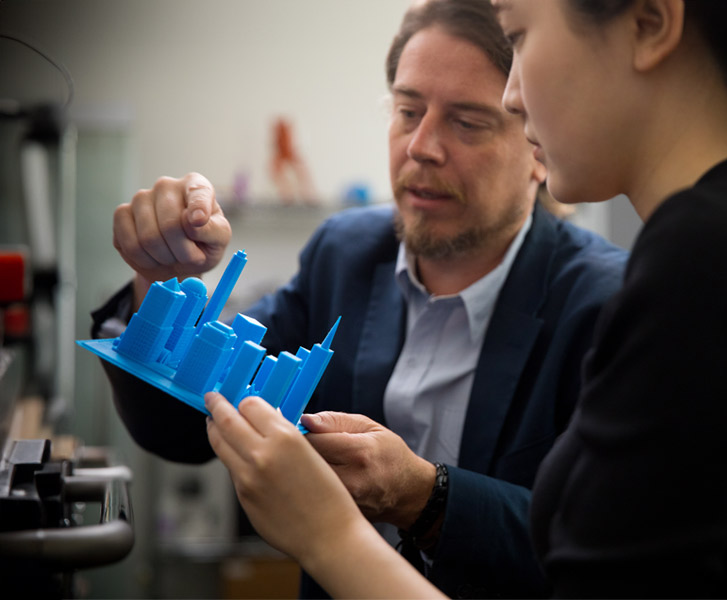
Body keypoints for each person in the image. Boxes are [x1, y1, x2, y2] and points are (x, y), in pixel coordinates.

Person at [204, 0, 727, 597]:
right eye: (409, 110)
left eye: (520, 36)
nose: (511, 94)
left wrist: (328, 537)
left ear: (651, 23)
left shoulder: (711, 259)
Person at [90, 0, 628, 597]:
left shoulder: (609, 305)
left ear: (538, 147)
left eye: (467, 122)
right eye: (407, 110)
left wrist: (426, 498)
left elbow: (607, 557)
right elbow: (182, 426)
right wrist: (159, 285)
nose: (420, 146)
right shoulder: (343, 255)